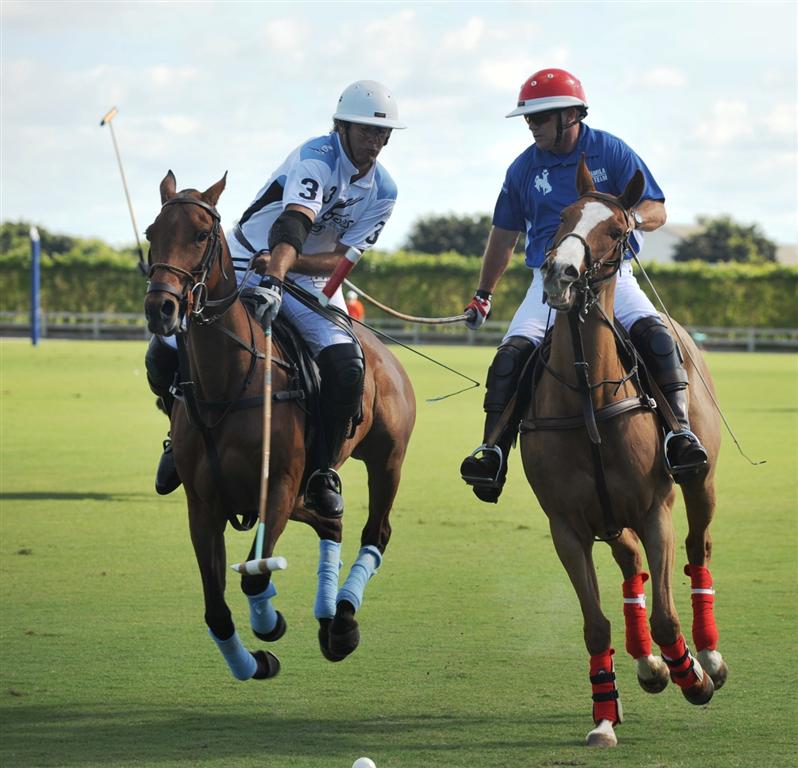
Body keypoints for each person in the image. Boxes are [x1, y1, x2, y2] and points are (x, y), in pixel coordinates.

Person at [146, 80, 405, 518]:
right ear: (341, 127)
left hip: (311, 282)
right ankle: (180, 440)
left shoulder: (385, 190)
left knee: (347, 368)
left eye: (382, 133)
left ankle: (321, 471)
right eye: (366, 130)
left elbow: (344, 258)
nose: (375, 140)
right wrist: (272, 274)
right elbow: (293, 225)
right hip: (243, 262)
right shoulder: (316, 158)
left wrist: (286, 271)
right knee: (163, 352)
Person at [459, 68, 708, 504]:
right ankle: (493, 450)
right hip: (549, 281)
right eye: (528, 118)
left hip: (613, 277)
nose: (531, 125)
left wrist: (630, 218)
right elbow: (504, 234)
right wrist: (484, 293)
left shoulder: (610, 150)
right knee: (510, 355)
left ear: (571, 115)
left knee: (656, 335)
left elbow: (656, 208)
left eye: (540, 117)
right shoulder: (523, 168)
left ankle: (679, 434)